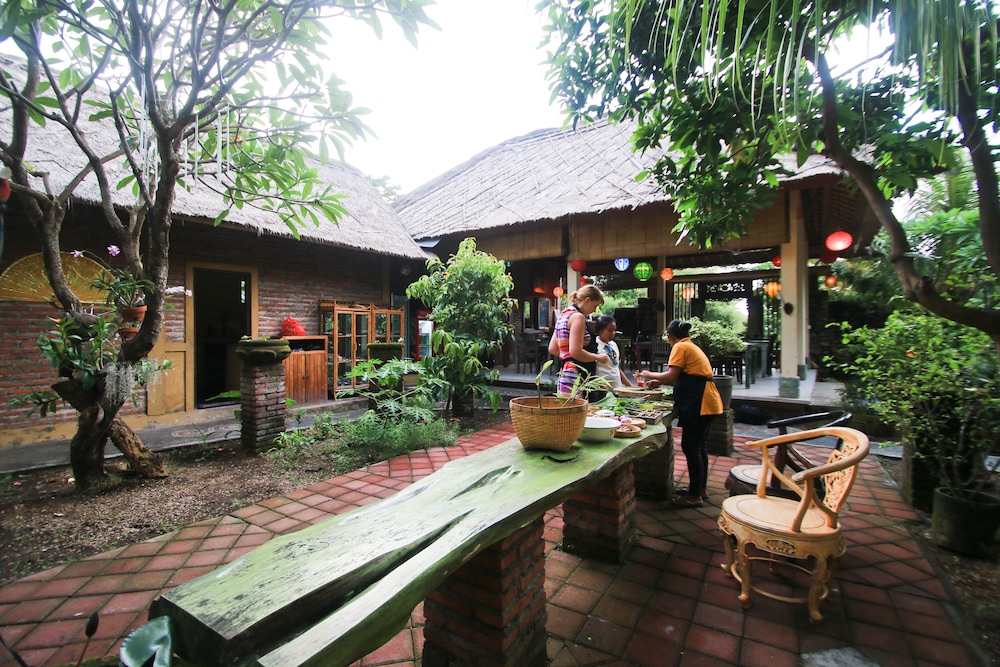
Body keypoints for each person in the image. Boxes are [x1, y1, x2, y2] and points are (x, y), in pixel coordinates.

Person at [636, 319, 723, 508]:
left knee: (691, 446)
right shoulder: (690, 345)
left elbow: (672, 375)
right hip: (707, 401)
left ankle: (695, 496)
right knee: (699, 446)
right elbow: (686, 375)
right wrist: (660, 381)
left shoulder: (680, 347)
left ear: (670, 336)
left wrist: (649, 374)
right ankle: (699, 488)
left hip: (700, 402)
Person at [548, 284, 610, 397]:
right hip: (577, 374)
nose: (594, 310)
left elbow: (553, 348)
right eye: (595, 306)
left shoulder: (564, 315)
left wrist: (568, 358)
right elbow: (576, 352)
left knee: (566, 406)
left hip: (566, 373)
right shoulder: (578, 317)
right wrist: (598, 357)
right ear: (587, 301)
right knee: (579, 407)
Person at [594, 315, 633, 390]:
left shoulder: (613, 345)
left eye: (614, 330)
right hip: (602, 389)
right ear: (600, 330)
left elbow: (617, 368)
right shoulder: (594, 345)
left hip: (617, 387)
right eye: (609, 330)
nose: (612, 333)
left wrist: (630, 386)